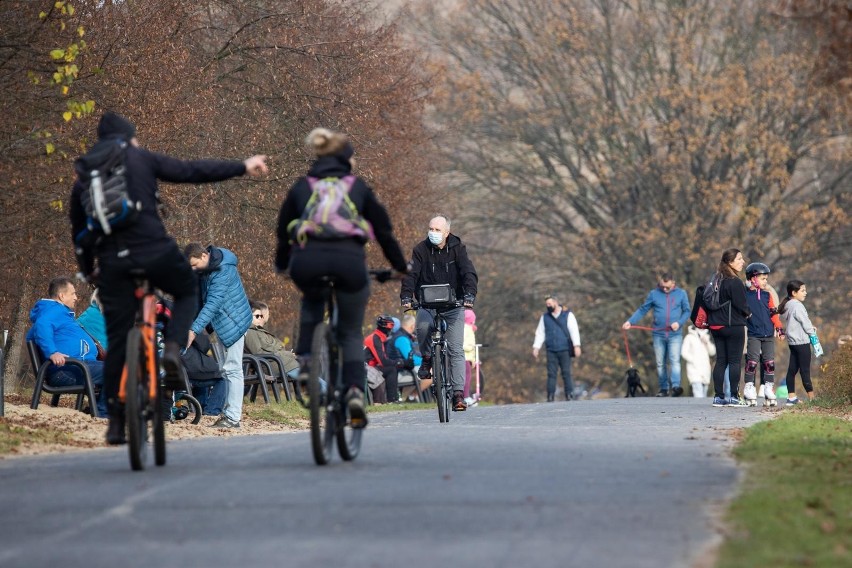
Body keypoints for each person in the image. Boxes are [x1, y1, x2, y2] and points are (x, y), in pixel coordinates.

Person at [69, 111, 267, 444]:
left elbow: (79, 232)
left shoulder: (85, 174)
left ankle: (117, 423)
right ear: (129, 137)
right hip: (154, 251)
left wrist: (91, 271)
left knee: (118, 340)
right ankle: (173, 350)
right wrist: (242, 166)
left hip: (114, 262)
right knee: (188, 289)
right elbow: (192, 171)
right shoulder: (140, 158)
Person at [275, 128, 408, 428]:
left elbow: (283, 231)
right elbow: (384, 232)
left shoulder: (302, 186)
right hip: (349, 264)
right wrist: (400, 267)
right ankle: (353, 394)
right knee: (348, 332)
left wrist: (282, 265)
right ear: (347, 159)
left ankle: (307, 364)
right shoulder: (357, 187)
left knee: (311, 303)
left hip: (308, 262)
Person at [401, 214, 478, 412]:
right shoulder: (420, 250)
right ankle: (427, 358)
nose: (433, 233)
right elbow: (411, 274)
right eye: (431, 229)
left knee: (455, 349)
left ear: (447, 233)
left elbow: (468, 272)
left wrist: (469, 294)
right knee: (423, 326)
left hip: (453, 305)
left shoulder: (458, 249)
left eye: (437, 230)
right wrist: (407, 296)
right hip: (427, 304)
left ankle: (459, 394)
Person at [184, 243, 253, 429]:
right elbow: (199, 299)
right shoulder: (206, 270)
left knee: (232, 369)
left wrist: (194, 330)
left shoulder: (223, 270)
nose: (193, 269)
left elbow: (213, 303)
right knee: (224, 370)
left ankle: (232, 418)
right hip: (223, 323)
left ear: (204, 256)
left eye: (194, 264)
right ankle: (229, 413)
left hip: (234, 322)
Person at [26, 277, 107, 416]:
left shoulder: (62, 314)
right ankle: (104, 414)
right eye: (73, 293)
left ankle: (104, 411)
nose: (76, 297)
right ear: (62, 296)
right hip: (68, 371)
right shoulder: (53, 310)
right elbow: (42, 325)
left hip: (77, 367)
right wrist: (52, 352)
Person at [622, 273, 690, 397]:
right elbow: (643, 309)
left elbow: (687, 311)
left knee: (674, 360)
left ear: (673, 284)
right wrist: (630, 321)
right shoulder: (654, 294)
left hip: (675, 334)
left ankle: (675, 387)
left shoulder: (681, 294)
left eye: (667, 287)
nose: (664, 289)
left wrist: (679, 323)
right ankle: (663, 388)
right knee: (660, 362)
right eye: (662, 286)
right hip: (658, 333)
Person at [707, 249, 751, 407]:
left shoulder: (717, 279)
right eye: (739, 259)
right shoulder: (734, 281)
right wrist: (749, 313)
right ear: (730, 262)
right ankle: (733, 397)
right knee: (734, 361)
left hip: (716, 326)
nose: (743, 261)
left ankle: (718, 397)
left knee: (720, 361)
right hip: (733, 325)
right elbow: (742, 305)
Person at [743, 262, 784, 406]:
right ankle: (749, 387)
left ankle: (768, 388)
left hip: (768, 334)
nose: (766, 281)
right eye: (762, 278)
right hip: (754, 333)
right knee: (752, 362)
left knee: (769, 363)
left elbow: (774, 314)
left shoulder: (768, 295)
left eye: (766, 279)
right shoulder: (745, 295)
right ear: (753, 279)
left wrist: (779, 328)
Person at [533, 295, 582, 402]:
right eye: (546, 304)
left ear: (555, 302)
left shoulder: (567, 315)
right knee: (551, 374)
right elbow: (540, 333)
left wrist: (576, 345)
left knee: (566, 373)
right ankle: (550, 396)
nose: (548, 306)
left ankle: (569, 394)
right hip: (551, 349)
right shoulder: (545, 317)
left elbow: (574, 330)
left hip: (564, 349)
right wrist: (536, 347)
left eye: (549, 304)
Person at [778, 280, 817, 405]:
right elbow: (805, 323)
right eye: (803, 290)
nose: (806, 293)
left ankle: (791, 398)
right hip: (802, 342)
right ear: (794, 293)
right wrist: (812, 332)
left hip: (793, 343)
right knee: (805, 370)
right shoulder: (798, 306)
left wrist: (810, 328)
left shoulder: (788, 305)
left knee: (792, 370)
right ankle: (812, 398)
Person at [244, 300, 299, 379]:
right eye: (257, 316)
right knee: (315, 382)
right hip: (276, 365)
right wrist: (288, 354)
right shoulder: (250, 332)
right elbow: (258, 354)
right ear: (248, 316)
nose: (260, 318)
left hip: (283, 363)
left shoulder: (258, 331)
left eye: (261, 316)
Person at [181, 331, 226, 416]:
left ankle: (200, 407)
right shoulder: (189, 324)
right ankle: (212, 410)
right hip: (189, 366)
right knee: (223, 376)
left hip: (180, 368)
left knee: (205, 371)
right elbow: (204, 345)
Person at [364, 315, 404, 403]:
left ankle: (391, 399)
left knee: (392, 368)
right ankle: (392, 400)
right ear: (385, 327)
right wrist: (398, 362)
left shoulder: (379, 338)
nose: (391, 330)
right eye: (390, 326)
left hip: (370, 366)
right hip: (365, 367)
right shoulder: (375, 338)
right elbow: (383, 361)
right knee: (391, 369)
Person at [387, 314, 427, 400]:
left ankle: (413, 397)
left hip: (402, 369)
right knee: (431, 371)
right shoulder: (402, 339)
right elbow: (411, 359)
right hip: (400, 371)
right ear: (412, 326)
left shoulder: (401, 336)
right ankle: (412, 397)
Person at [680, 325, 715, 397]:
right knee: (698, 392)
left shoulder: (707, 337)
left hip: (705, 370)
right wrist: (693, 360)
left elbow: (712, 352)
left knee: (704, 393)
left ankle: (701, 407)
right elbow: (684, 352)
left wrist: (707, 342)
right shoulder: (689, 337)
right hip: (694, 369)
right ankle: (698, 407)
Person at [463, 308, 477, 405]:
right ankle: (466, 396)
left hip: (468, 357)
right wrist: (470, 347)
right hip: (464, 356)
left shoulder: (469, 328)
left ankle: (466, 395)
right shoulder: (466, 329)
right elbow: (465, 344)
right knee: (466, 378)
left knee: (467, 377)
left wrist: (474, 360)